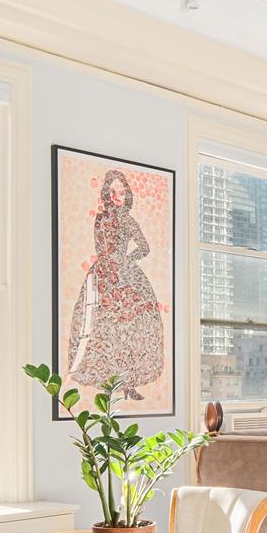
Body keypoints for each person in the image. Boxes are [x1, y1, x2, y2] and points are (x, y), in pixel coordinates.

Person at [68, 168, 165, 399]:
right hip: (103, 274)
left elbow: (144, 247)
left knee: (132, 328)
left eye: (120, 191)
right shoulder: (101, 219)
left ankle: (129, 382)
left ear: (127, 194)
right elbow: (100, 246)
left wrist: (126, 262)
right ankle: (107, 382)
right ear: (105, 193)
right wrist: (111, 266)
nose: (116, 195)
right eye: (111, 190)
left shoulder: (129, 221)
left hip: (125, 274)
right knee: (102, 327)